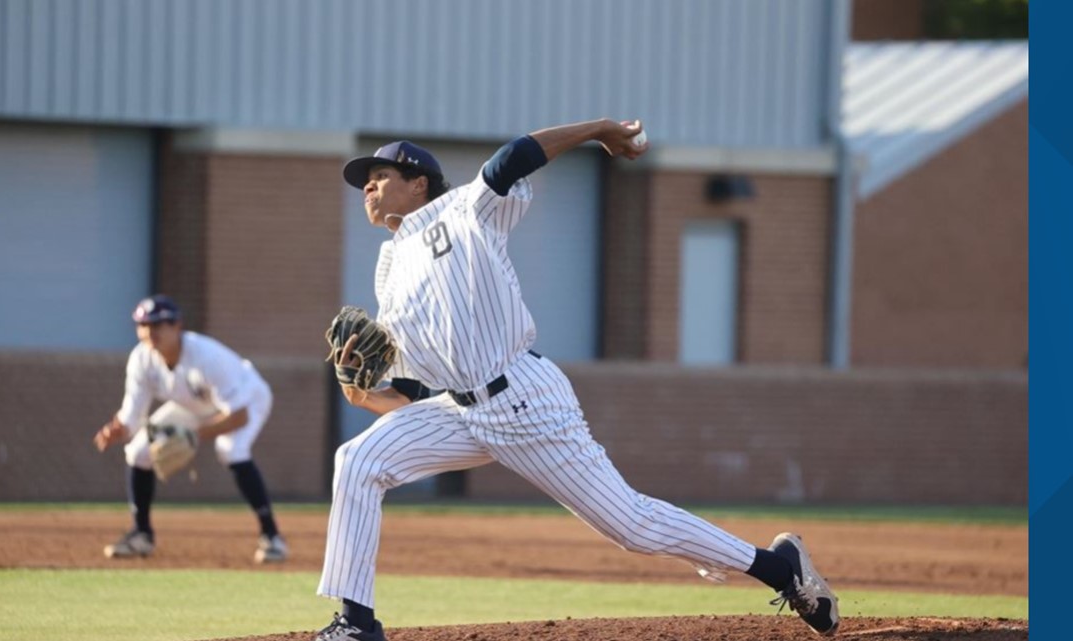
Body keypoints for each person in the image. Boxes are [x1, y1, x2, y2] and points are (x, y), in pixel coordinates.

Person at [314, 119, 839, 640]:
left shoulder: (463, 210)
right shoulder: (389, 267)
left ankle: (779, 569)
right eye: (366, 180)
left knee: (633, 526)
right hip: (461, 411)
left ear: (419, 182)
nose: (367, 187)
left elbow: (510, 159)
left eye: (379, 175)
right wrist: (363, 395)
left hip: (523, 400)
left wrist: (600, 129)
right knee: (359, 460)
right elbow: (407, 396)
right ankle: (356, 623)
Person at [93, 294, 289, 564]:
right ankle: (141, 534)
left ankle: (272, 537)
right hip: (193, 406)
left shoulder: (206, 357)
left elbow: (239, 416)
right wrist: (118, 429)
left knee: (230, 449)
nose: (150, 332)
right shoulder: (141, 359)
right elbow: (132, 416)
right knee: (138, 451)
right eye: (143, 325)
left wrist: (194, 436)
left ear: (177, 326)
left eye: (158, 325)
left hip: (249, 398)